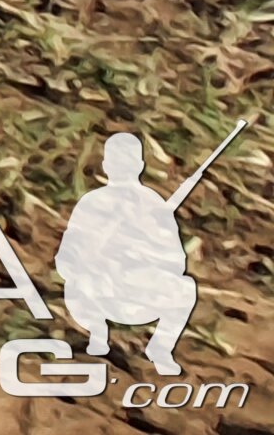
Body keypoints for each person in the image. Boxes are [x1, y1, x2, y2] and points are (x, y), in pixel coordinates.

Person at [59, 132, 200, 377]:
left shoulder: (153, 205)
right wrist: (97, 260)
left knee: (185, 288)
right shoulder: (92, 203)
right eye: (117, 162)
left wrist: (144, 252)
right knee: (79, 282)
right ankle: (97, 335)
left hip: (138, 291)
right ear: (107, 166)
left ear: (139, 166)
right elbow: (66, 260)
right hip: (98, 292)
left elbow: (176, 263)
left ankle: (160, 349)